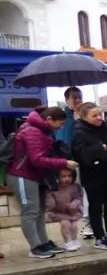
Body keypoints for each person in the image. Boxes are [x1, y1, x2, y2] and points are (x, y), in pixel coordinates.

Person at [8, 107, 77, 258]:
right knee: (30, 212)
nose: (61, 126)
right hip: (22, 175)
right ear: (49, 119)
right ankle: (35, 247)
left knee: (39, 211)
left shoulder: (43, 130)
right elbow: (37, 159)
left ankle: (43, 243)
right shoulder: (33, 131)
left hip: (35, 176)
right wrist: (63, 163)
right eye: (60, 123)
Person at [73, 102, 107, 250]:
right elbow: (81, 154)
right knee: (96, 206)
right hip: (93, 175)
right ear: (85, 117)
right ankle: (99, 236)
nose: (98, 118)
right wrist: (99, 149)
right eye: (94, 115)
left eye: (99, 114)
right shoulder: (79, 132)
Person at [54, 86, 92, 239]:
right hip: (68, 162)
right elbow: (62, 140)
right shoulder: (63, 117)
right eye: (73, 97)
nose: (77, 100)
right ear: (66, 100)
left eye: (79, 97)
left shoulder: (85, 116)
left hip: (84, 161)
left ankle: (88, 224)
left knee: (86, 194)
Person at [45, 167, 84, 252]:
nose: (67, 179)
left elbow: (78, 197)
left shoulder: (75, 186)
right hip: (58, 212)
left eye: (69, 176)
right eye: (63, 176)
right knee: (65, 224)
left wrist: (75, 203)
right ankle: (68, 242)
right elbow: (50, 204)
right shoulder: (54, 188)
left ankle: (74, 240)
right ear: (58, 177)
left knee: (74, 226)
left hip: (71, 211)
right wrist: (50, 200)